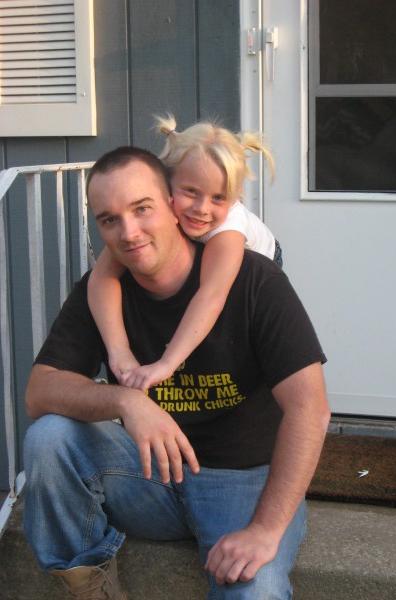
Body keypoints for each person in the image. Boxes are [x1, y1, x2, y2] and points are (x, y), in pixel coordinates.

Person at [23, 145, 330, 599]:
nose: (129, 232)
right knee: (50, 438)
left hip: (242, 481)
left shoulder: (254, 280)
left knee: (255, 591)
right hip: (147, 476)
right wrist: (127, 402)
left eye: (141, 209)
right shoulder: (103, 289)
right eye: (109, 219)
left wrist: (265, 529)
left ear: (172, 205)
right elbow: (40, 391)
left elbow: (310, 408)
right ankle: (88, 584)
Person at [87, 115, 281, 392]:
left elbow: (211, 295)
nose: (202, 208)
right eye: (190, 191)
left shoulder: (228, 229)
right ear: (168, 184)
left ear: (233, 199)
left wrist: (167, 363)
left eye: (218, 198)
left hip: (259, 262)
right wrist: (119, 352)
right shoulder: (155, 213)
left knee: (225, 320)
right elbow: (101, 279)